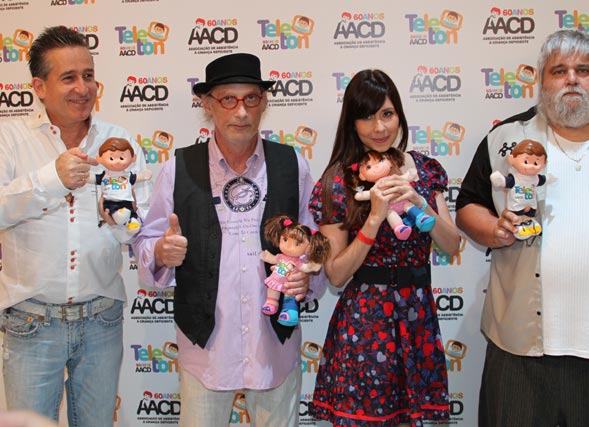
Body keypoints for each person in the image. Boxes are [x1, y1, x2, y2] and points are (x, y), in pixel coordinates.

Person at [455, 29, 589, 426]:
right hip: (520, 350)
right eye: (559, 71)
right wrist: (495, 230)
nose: (571, 79)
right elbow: (468, 205)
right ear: (541, 82)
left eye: (584, 70)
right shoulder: (506, 138)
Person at [132, 52, 324, 427]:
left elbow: (314, 240)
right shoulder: (177, 169)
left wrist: (307, 277)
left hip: (274, 347)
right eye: (228, 100)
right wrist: (161, 251)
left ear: (264, 102)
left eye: (251, 98)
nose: (241, 112)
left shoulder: (292, 165)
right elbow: (146, 242)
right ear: (207, 104)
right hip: (206, 349)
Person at [0, 26, 149, 426]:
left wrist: (120, 220)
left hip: (102, 318)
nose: (83, 88)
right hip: (30, 321)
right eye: (68, 77)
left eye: (88, 75)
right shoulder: (8, 138)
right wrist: (52, 179)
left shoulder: (118, 140)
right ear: (39, 86)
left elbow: (139, 225)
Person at [308, 69, 460, 426]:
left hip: (418, 317)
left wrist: (418, 201)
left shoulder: (423, 169)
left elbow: (451, 243)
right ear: (352, 122)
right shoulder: (337, 181)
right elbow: (336, 274)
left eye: (387, 114)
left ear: (399, 115)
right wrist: (374, 219)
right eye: (367, 116)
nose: (379, 127)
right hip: (366, 322)